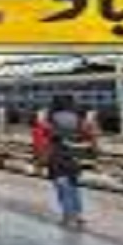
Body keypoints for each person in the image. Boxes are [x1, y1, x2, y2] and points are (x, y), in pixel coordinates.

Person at [46, 95, 98, 230]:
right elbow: (90, 136)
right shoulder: (80, 118)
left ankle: (68, 216)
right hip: (76, 157)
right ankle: (78, 215)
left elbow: (47, 135)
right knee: (74, 187)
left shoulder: (53, 118)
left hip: (59, 156)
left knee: (62, 186)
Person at [31, 109, 52, 174]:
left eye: (41, 116)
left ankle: (39, 170)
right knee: (38, 157)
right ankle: (37, 170)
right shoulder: (37, 124)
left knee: (42, 157)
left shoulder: (46, 125)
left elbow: (49, 134)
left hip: (44, 145)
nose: (40, 117)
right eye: (39, 116)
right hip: (38, 144)